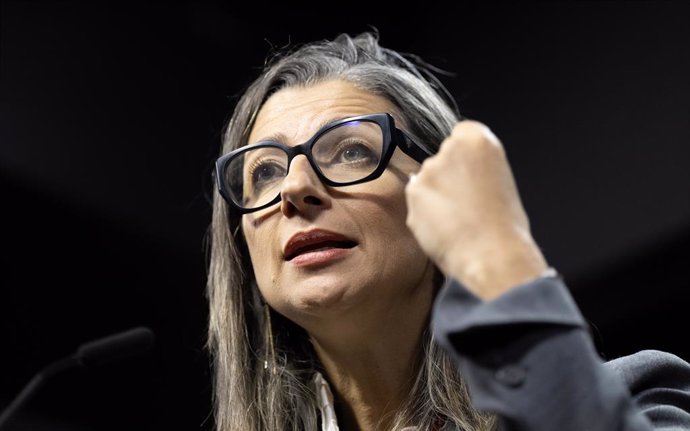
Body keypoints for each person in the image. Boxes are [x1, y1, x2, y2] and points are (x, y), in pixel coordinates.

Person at [205, 31, 690, 431]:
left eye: (351, 151)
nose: (294, 188)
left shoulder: (639, 396)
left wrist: (497, 260)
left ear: (445, 191)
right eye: (265, 171)